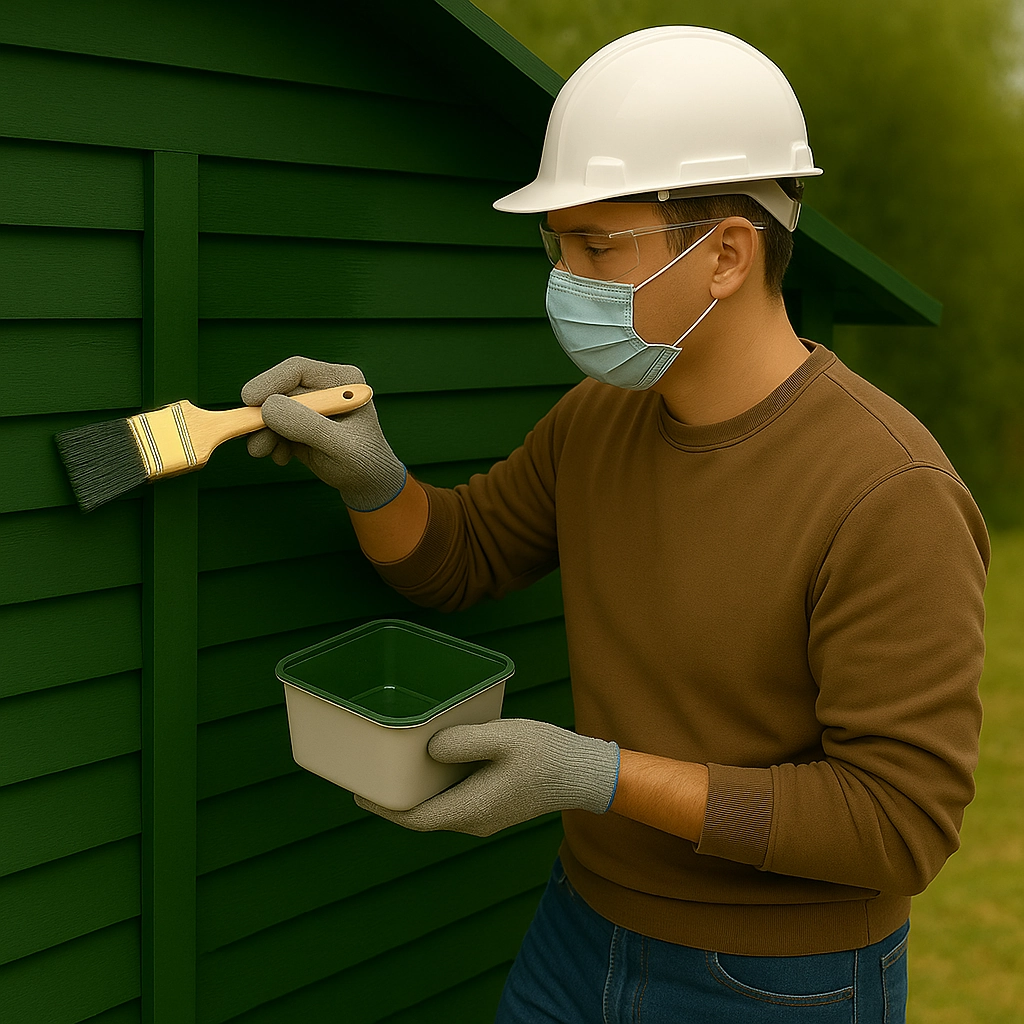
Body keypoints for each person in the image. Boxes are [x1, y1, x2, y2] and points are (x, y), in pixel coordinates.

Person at [242, 26, 988, 1023]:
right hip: (578, 930)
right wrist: (374, 478)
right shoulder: (600, 419)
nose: (568, 281)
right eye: (560, 245)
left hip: (777, 980)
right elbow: (459, 560)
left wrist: (600, 775)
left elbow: (898, 824)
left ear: (726, 252)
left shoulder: (887, 490)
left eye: (599, 247)